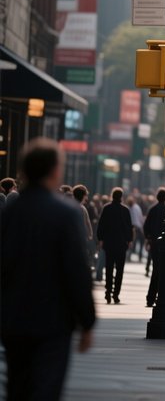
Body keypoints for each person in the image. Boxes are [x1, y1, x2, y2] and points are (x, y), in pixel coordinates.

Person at [0, 138, 95, 400]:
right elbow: (76, 270)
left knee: (17, 387)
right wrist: (87, 321)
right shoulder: (66, 213)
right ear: (55, 171)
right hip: (52, 320)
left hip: (13, 318)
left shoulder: (9, 213)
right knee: (46, 387)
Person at [96, 187, 133, 304]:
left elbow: (101, 225)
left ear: (112, 196)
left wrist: (100, 239)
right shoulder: (125, 210)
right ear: (121, 197)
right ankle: (116, 294)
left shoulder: (106, 208)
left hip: (109, 243)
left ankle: (108, 291)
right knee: (119, 270)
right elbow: (129, 227)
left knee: (109, 268)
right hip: (121, 244)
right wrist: (129, 240)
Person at [143, 187, 165, 308]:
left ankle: (151, 297)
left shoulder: (152, 209)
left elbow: (146, 226)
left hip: (154, 244)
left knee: (156, 270)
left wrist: (148, 238)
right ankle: (159, 296)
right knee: (164, 272)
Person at [72, 184, 94, 263]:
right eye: (85, 195)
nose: (86, 198)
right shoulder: (82, 209)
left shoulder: (68, 206)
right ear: (82, 196)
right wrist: (89, 236)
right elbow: (87, 225)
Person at [127, 195, 145, 262]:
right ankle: (137, 256)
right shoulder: (137, 208)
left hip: (133, 227)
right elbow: (140, 218)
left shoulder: (128, 208)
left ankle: (129, 256)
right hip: (137, 227)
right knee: (138, 242)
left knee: (132, 242)